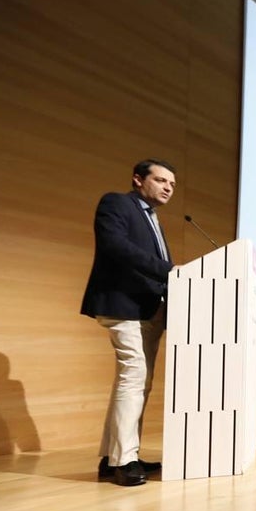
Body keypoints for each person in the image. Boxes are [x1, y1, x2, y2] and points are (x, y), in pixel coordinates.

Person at [80, 159, 176, 487]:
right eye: (161, 180)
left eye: (172, 184)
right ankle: (125, 460)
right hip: (122, 304)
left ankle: (113, 457)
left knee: (138, 381)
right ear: (138, 180)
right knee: (133, 375)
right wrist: (169, 272)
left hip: (149, 309)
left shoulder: (153, 219)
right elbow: (115, 247)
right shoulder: (116, 203)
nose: (167, 187)